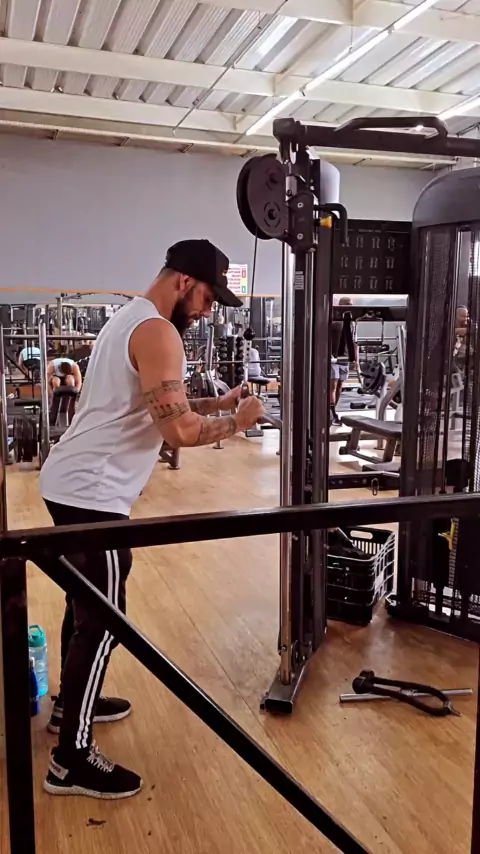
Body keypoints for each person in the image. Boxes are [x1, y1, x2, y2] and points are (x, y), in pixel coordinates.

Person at [38, 239, 265, 801]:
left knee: (84, 604)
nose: (208, 311)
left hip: (70, 484)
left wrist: (221, 404)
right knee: (104, 619)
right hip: (93, 496)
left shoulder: (129, 319)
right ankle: (70, 759)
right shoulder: (160, 332)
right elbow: (178, 431)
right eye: (209, 297)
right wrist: (239, 424)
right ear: (185, 282)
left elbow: (160, 405)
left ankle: (70, 705)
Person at [330, 297, 360, 426]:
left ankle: (332, 411)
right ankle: (332, 414)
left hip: (345, 357)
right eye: (347, 305)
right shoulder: (332, 320)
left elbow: (355, 343)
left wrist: (356, 361)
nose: (349, 307)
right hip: (332, 358)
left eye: (351, 305)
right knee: (333, 385)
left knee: (339, 386)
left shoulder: (352, 323)